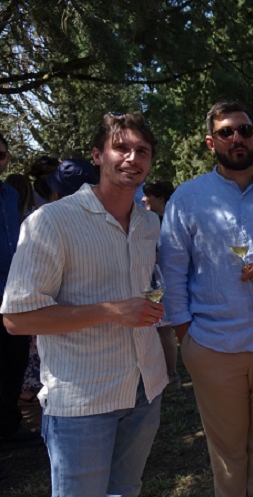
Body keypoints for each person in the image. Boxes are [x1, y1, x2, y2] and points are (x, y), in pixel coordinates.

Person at [1, 113, 167, 495]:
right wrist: (110, 311)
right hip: (83, 399)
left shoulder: (148, 223)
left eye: (142, 151)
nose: (132, 158)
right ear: (97, 155)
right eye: (121, 148)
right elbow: (16, 318)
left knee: (126, 491)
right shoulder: (51, 222)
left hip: (145, 388)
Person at [158, 101, 253, 497]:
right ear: (211, 142)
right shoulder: (187, 199)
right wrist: (186, 334)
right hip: (213, 344)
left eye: (244, 130)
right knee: (227, 457)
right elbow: (171, 271)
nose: (236, 138)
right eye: (226, 132)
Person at [0, 134, 32, 449]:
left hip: (15, 296)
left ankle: (10, 427)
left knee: (14, 366)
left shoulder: (10, 194)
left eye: (1, 155)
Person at [142, 180, 180, 387]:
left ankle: (172, 373)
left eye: (148, 195)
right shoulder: (153, 220)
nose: (143, 199)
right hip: (157, 280)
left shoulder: (168, 222)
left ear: (160, 198)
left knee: (165, 329)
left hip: (162, 281)